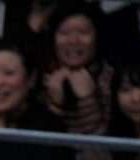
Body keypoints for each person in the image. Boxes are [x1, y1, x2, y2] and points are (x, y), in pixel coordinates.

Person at [40, 1, 112, 135]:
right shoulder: (40, 77)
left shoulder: (112, 80)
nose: (73, 40)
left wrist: (87, 100)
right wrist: (55, 105)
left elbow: (102, 144)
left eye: (83, 32)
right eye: (64, 33)